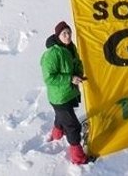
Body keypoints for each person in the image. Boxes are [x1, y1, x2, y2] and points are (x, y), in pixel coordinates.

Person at [41, 20, 88, 165]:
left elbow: (77, 62)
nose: (67, 36)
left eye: (69, 32)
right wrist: (69, 79)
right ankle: (78, 158)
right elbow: (49, 78)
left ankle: (56, 134)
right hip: (59, 96)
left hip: (67, 93)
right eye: (64, 33)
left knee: (61, 117)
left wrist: (78, 74)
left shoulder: (70, 47)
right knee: (73, 126)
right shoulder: (53, 53)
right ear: (58, 36)